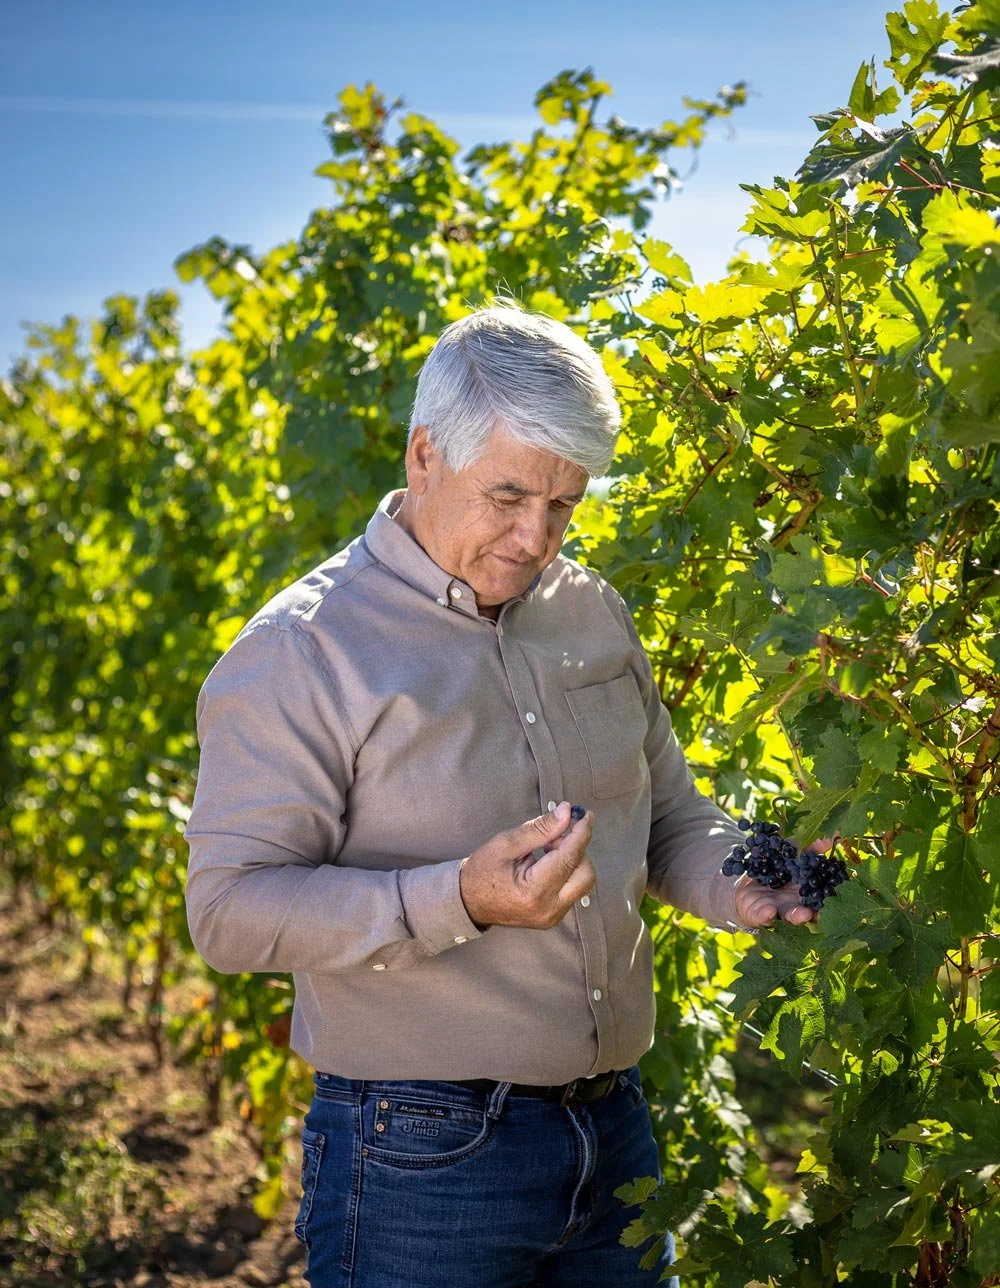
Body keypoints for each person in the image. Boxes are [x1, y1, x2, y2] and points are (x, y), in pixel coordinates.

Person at [183, 300, 828, 1288]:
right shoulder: (302, 651)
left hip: (612, 1135)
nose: (535, 537)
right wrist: (458, 900)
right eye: (509, 496)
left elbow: (666, 817)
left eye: (564, 505)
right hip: (419, 1160)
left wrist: (745, 878)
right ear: (423, 456)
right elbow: (229, 912)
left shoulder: (590, 609)